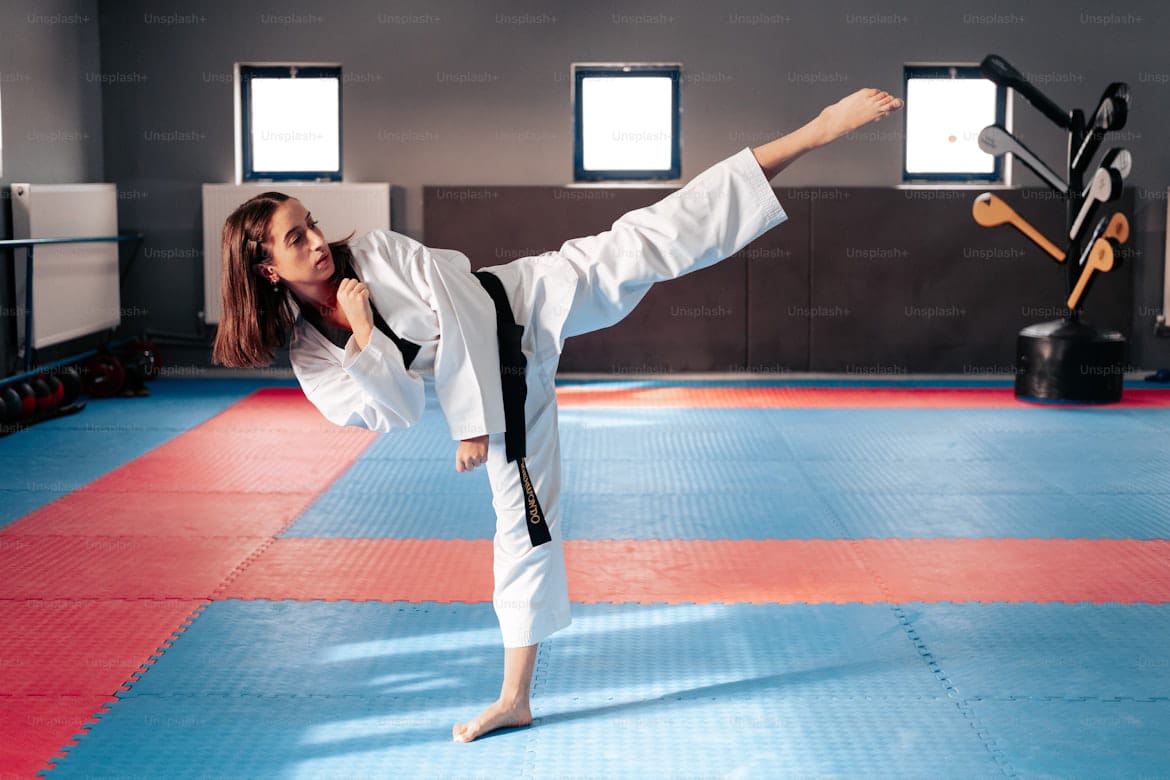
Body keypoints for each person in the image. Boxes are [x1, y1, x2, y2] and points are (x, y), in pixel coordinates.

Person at [212, 88, 904, 742]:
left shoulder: (376, 252)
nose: (316, 240)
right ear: (268, 270)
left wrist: (471, 423)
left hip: (526, 301)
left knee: (652, 236)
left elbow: (464, 305)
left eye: (310, 223)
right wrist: (365, 336)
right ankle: (515, 698)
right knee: (524, 521)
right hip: (504, 386)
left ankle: (814, 131)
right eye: (295, 238)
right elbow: (395, 410)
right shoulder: (312, 352)